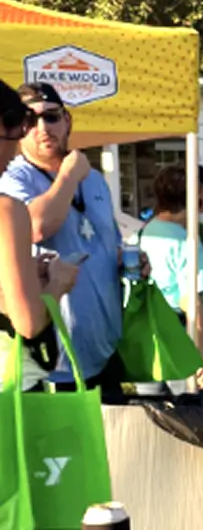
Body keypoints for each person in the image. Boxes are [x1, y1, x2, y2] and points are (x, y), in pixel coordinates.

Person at [0, 82, 127, 395]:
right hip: (52, 363)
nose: (42, 128)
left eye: (52, 117)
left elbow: (107, 241)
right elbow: (38, 226)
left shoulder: (95, 178)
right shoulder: (13, 179)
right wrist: (68, 176)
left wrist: (125, 259)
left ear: (68, 120)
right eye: (28, 121)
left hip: (103, 349)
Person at [0, 80, 79, 387]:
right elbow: (29, 322)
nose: (17, 145)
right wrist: (57, 283)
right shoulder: (7, 210)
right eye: (19, 130)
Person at [141, 163, 203, 393]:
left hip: (147, 333)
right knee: (192, 417)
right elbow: (190, 301)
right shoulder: (186, 242)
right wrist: (201, 354)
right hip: (179, 334)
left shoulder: (149, 230)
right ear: (195, 193)